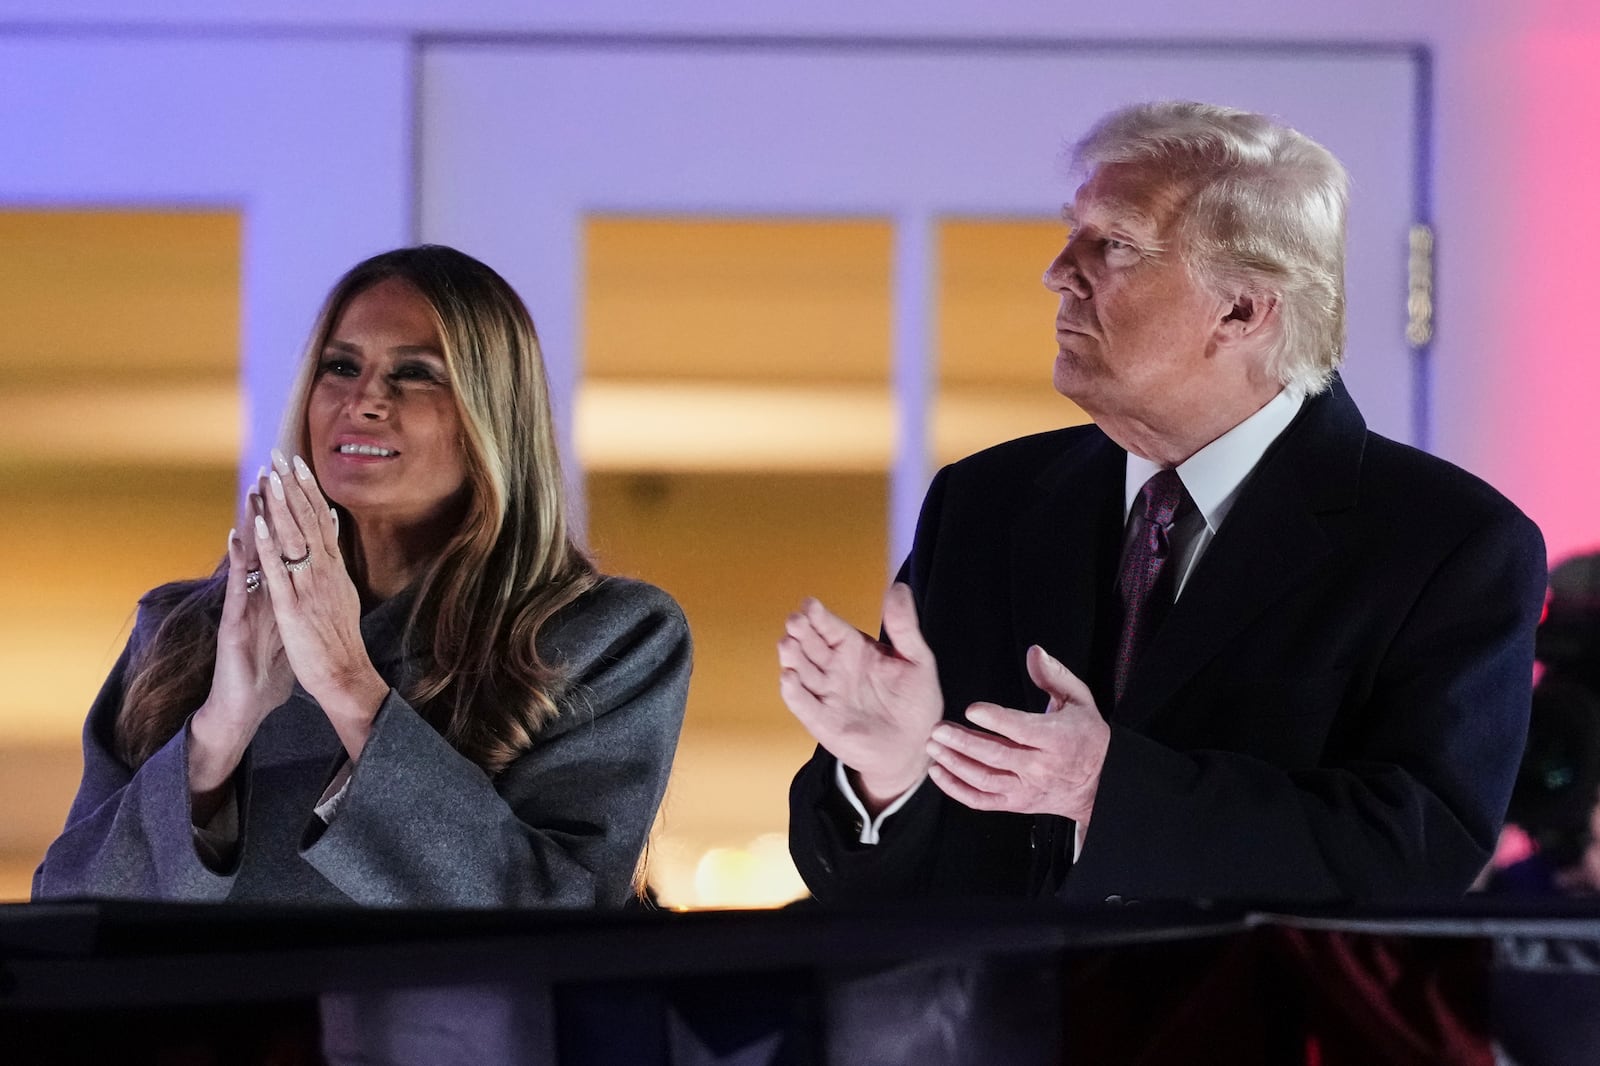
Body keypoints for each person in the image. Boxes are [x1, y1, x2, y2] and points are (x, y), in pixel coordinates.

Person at [782, 101, 1547, 907]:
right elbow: (874, 887)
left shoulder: (1451, 544)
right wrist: (884, 775)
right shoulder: (985, 502)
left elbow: (1413, 856)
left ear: (1243, 310)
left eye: (1114, 244)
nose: (1058, 271)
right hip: (987, 1030)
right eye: (1074, 231)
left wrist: (1105, 792)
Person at [34, 245, 691, 908]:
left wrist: (348, 684)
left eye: (416, 373)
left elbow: (556, 916)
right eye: (340, 366)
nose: (364, 400)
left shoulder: (610, 636)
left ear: (492, 417)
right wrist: (221, 729)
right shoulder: (180, 632)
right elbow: (72, 913)